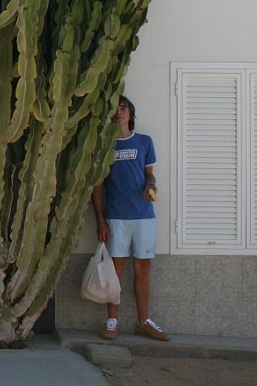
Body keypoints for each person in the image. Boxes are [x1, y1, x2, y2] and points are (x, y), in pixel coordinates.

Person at [91, 96, 169, 341]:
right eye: (114, 109)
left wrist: (151, 185)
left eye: (123, 108)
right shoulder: (104, 146)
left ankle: (143, 321)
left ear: (131, 113)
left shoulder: (145, 141)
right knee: (116, 269)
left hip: (143, 215)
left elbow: (150, 175)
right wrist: (100, 219)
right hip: (116, 216)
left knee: (143, 268)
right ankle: (112, 320)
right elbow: (98, 185)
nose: (119, 112)